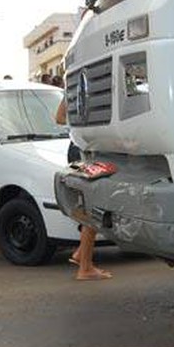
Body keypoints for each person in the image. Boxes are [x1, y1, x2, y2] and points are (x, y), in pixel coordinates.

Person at [55, 96, 111, 281]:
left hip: (75, 148)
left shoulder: (72, 90)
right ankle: (85, 268)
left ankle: (81, 254)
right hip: (89, 150)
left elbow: (59, 118)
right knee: (93, 209)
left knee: (89, 205)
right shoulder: (97, 89)